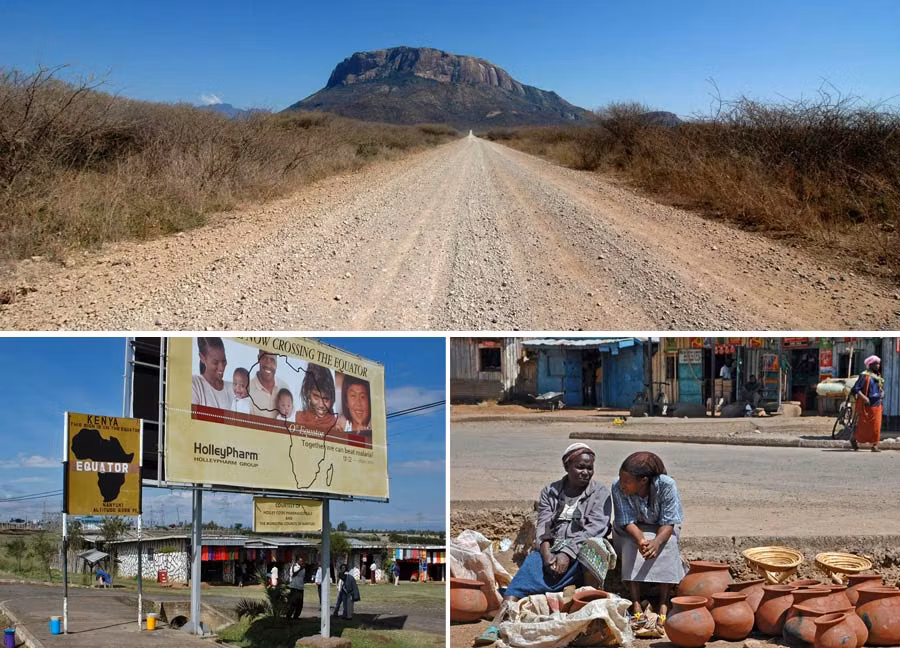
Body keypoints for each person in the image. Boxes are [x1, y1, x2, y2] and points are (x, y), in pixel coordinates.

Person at [476, 443, 611, 646]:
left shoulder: (600, 492)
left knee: (595, 548)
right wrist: (547, 554)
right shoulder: (551, 491)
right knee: (532, 564)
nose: (586, 472)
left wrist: (567, 553)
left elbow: (595, 528)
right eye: (580, 467)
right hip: (553, 547)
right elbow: (544, 525)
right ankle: (499, 622)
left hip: (581, 548)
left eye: (589, 468)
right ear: (567, 467)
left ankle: (588, 614)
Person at [611, 451, 685, 631]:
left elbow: (669, 522)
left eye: (626, 481)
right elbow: (626, 521)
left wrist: (657, 542)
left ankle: (663, 603)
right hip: (631, 529)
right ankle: (636, 603)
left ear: (643, 480)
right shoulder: (617, 487)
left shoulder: (667, 486)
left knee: (669, 545)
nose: (622, 485)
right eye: (621, 479)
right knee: (630, 546)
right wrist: (641, 541)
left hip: (662, 528)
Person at [295, 364, 349, 433]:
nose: (321, 405)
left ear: (331, 397)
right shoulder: (299, 418)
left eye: (326, 399)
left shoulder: (336, 425)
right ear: (308, 393)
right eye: (316, 397)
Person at [850, 355, 885, 452]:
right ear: (870, 365)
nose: (878, 365)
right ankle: (854, 439)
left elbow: (880, 388)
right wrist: (864, 398)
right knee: (863, 426)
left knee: (876, 425)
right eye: (875, 364)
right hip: (867, 404)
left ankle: (874, 445)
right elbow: (856, 389)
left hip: (877, 403)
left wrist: (882, 392)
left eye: (878, 364)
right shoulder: (864, 375)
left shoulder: (878, 376)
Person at [191, 337, 233, 409]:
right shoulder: (194, 384)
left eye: (224, 361)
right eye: (215, 362)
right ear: (202, 358)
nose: (221, 367)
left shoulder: (234, 389)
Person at [249, 350, 289, 418]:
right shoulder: (248, 390)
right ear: (258, 358)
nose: (268, 364)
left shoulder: (284, 387)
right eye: (264, 358)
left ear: (276, 362)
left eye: (272, 359)